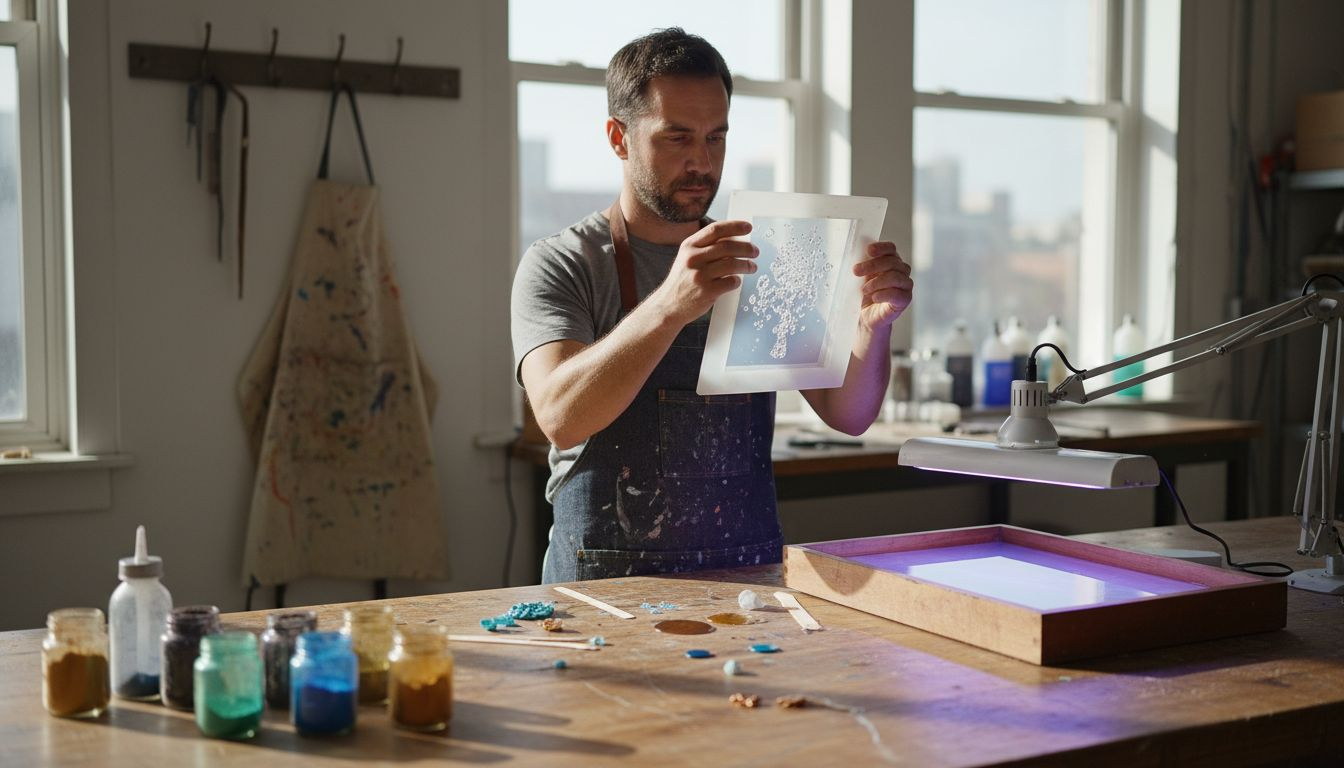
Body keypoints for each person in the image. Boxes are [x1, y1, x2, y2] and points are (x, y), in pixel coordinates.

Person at [510, 29, 913, 583]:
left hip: (747, 581)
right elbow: (560, 417)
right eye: (677, 138)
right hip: (605, 591)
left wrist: (872, 329)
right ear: (619, 138)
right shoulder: (563, 263)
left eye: (716, 137)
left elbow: (848, 414)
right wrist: (670, 306)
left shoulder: (764, 257)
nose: (702, 162)